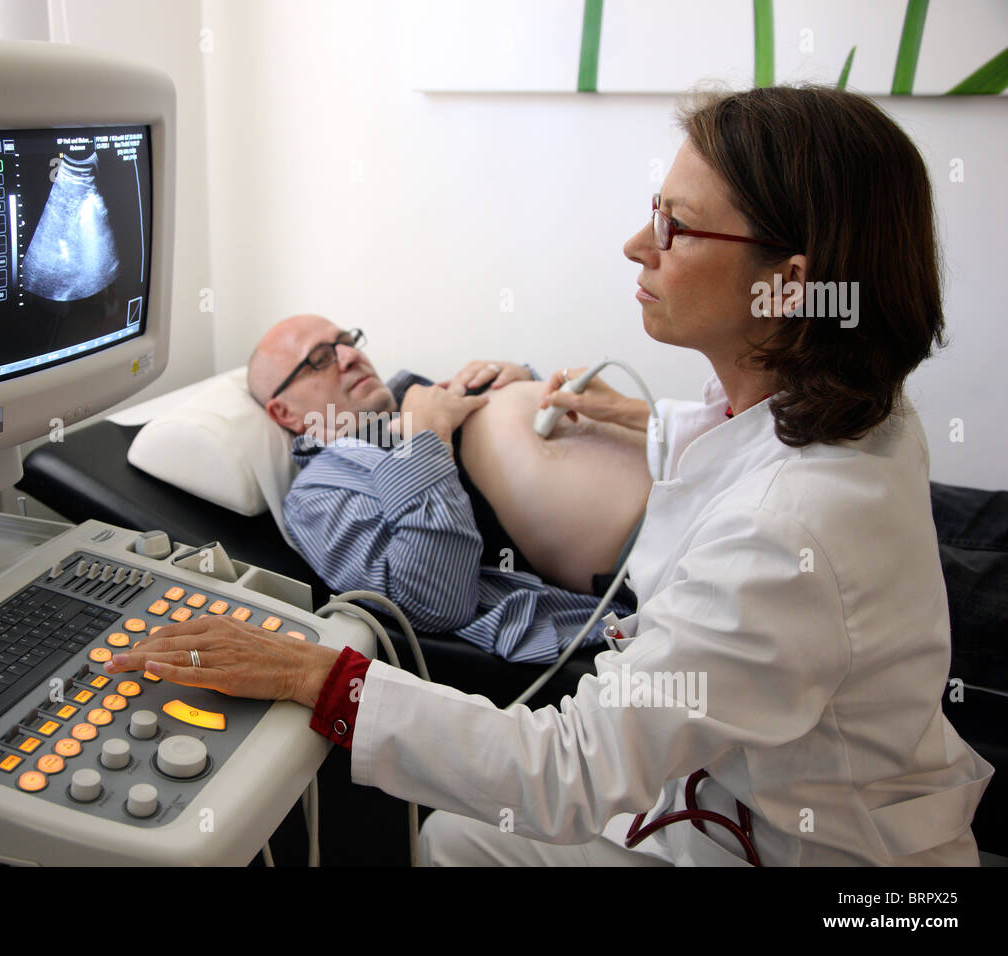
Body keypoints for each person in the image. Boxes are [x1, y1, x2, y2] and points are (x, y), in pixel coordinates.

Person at [107, 86, 993, 865]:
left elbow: (576, 763)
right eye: (311, 363)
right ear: (286, 417)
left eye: (675, 225)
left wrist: (323, 673)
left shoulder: (786, 528)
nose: (637, 244)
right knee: (454, 837)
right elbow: (433, 597)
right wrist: (447, 438)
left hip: (825, 856)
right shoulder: (325, 480)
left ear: (788, 287)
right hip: (683, 706)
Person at [243, 315, 650, 662]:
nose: (350, 356)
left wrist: (526, 384)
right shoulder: (318, 493)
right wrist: (429, 434)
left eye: (346, 342)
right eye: (319, 359)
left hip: (688, 467)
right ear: (285, 411)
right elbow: (433, 601)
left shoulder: (422, 393)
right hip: (650, 556)